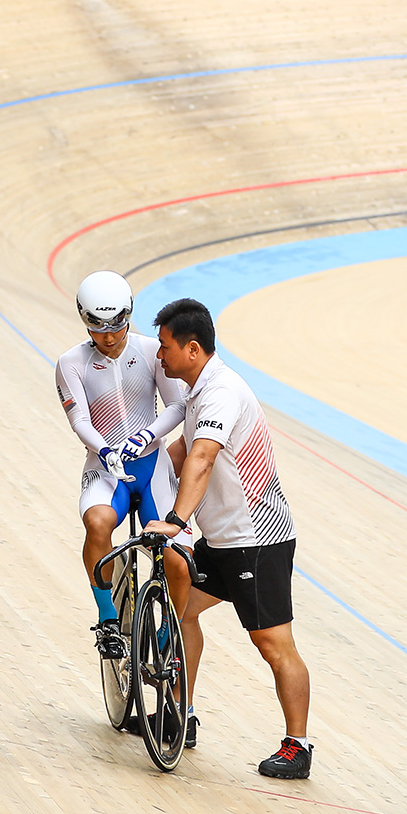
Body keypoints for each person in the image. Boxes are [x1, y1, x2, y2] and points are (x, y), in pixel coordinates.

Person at [143, 299, 313, 779]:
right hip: (221, 540)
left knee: (273, 643)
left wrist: (176, 520)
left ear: (192, 349)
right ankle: (183, 713)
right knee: (184, 613)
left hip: (257, 540)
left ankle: (298, 746)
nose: (160, 356)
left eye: (165, 346)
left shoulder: (222, 392)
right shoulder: (199, 391)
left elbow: (200, 457)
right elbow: (177, 454)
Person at [54, 271, 188, 670]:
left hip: (151, 466)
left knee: (178, 559)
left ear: (129, 315)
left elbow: (178, 406)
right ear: (84, 320)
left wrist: (147, 435)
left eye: (116, 326)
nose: (108, 337)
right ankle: (108, 618)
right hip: (105, 468)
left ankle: (169, 634)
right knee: (97, 524)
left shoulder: (151, 352)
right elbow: (79, 420)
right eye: (97, 327)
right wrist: (105, 448)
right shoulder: (71, 363)